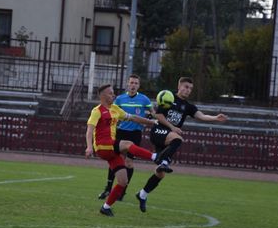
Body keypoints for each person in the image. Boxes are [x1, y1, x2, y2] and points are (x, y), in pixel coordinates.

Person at [135, 77, 228, 212]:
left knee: (160, 173)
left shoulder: (188, 106)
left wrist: (215, 118)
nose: (188, 90)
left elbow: (201, 116)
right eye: (186, 87)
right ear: (179, 86)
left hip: (168, 137)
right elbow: (158, 116)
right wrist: (172, 127)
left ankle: (142, 194)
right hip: (158, 131)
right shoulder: (169, 97)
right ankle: (164, 161)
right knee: (178, 139)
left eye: (190, 88)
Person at [85, 83, 171, 217]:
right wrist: (89, 146)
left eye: (113, 93)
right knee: (127, 144)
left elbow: (133, 118)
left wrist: (152, 122)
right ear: (102, 96)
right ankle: (156, 157)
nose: (113, 95)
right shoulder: (97, 111)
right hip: (102, 146)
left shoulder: (115, 109)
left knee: (123, 181)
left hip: (111, 150)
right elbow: (90, 130)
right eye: (110, 93)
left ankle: (105, 207)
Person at [98, 74, 153, 202]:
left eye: (136, 83)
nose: (133, 85)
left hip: (135, 133)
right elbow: (111, 111)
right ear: (127, 84)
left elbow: (152, 112)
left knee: (128, 162)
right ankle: (108, 188)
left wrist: (151, 117)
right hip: (121, 132)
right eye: (131, 83)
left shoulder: (144, 99)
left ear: (139, 85)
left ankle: (122, 191)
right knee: (115, 159)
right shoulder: (120, 99)